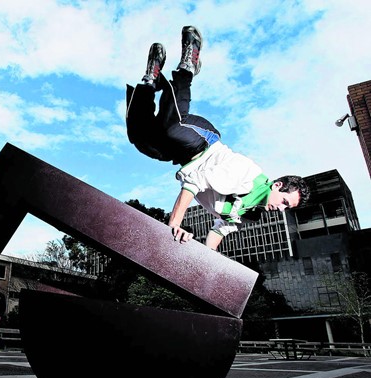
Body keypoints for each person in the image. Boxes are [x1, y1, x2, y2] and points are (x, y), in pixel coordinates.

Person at [126, 26, 310, 250]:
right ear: (278, 186)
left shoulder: (245, 215)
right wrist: (174, 224)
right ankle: (187, 68)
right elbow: (194, 184)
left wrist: (205, 264)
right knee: (173, 127)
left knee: (142, 141)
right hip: (203, 143)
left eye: (287, 208)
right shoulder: (247, 176)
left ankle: (149, 82)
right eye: (284, 202)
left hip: (184, 158)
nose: (281, 209)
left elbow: (218, 232)